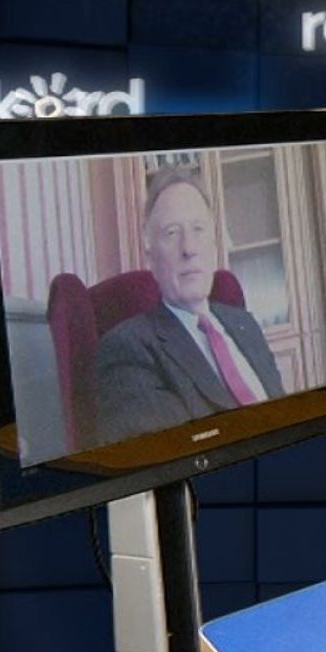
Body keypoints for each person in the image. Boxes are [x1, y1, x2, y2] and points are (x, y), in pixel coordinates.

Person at [95, 169, 285, 445]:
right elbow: (174, 453)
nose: (189, 248)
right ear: (150, 256)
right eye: (172, 233)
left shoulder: (246, 325)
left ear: (214, 244)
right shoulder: (127, 348)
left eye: (198, 229)